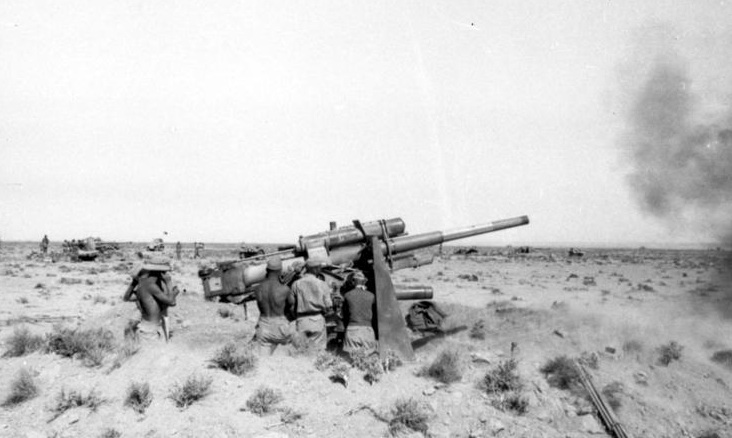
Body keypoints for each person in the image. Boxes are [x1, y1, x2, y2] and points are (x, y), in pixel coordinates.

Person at [122, 257, 180, 343]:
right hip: (149, 332)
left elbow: (128, 298)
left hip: (146, 327)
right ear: (161, 273)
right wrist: (169, 283)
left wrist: (134, 283)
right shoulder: (151, 285)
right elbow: (172, 302)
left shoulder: (144, 283)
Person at [288, 255, 333, 351]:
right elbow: (329, 306)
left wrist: (297, 316)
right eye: (319, 267)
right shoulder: (322, 284)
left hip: (301, 321)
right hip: (318, 321)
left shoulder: (296, 284)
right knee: (317, 352)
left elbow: (291, 306)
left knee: (302, 351)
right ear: (316, 269)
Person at [252, 256, 293, 353]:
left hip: (263, 329)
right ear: (280, 271)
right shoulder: (285, 290)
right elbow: (291, 305)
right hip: (281, 331)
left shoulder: (258, 289)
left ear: (266, 270)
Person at [342, 271, 378, 356]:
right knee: (368, 358)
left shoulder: (347, 295)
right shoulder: (371, 295)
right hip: (367, 331)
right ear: (364, 282)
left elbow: (344, 314)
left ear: (353, 281)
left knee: (353, 360)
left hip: (352, 330)